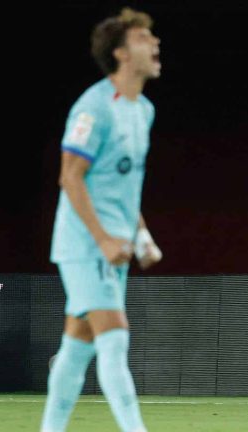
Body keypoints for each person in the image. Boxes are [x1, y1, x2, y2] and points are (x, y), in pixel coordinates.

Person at [43, 8, 162, 432]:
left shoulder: (143, 110)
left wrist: (141, 234)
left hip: (115, 245)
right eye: (144, 39)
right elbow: (69, 177)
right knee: (115, 338)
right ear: (121, 53)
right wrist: (103, 239)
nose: (155, 44)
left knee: (76, 349)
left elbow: (125, 188)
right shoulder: (92, 108)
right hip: (84, 243)